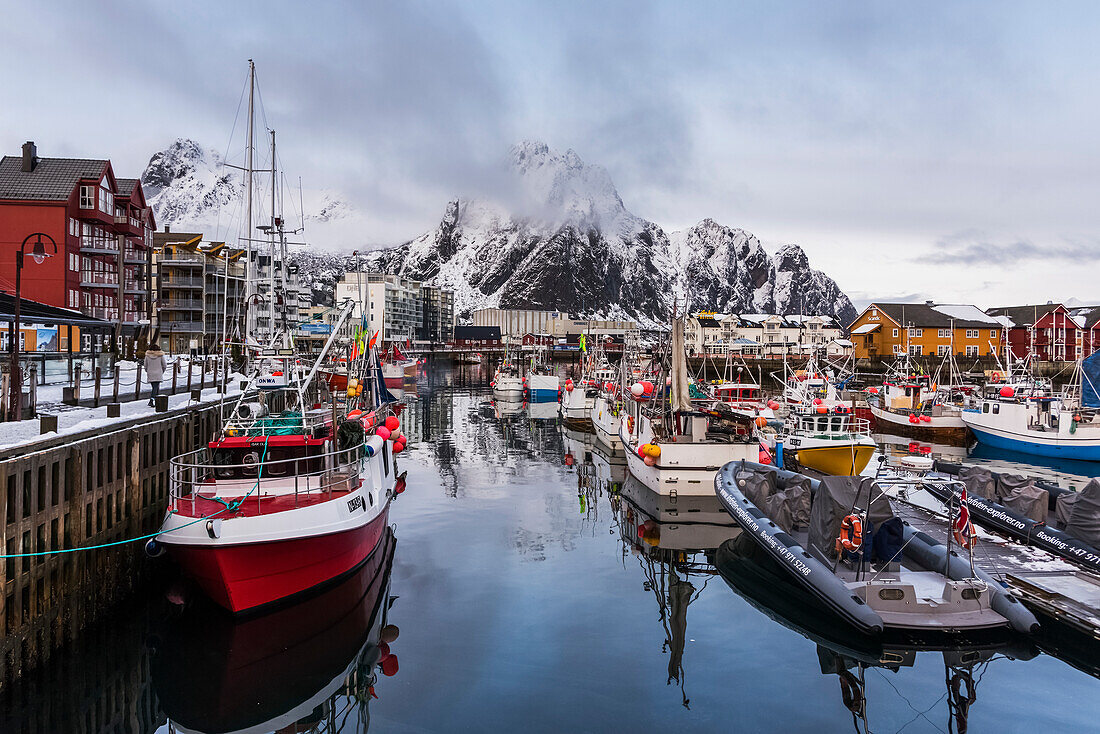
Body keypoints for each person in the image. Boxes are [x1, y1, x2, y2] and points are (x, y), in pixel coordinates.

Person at [145, 343, 167, 407]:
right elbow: (164, 365)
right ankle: (151, 401)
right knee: (155, 387)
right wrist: (161, 371)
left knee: (155, 387)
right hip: (158, 373)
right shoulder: (160, 356)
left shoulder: (147, 356)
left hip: (150, 373)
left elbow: (145, 365)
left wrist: (148, 371)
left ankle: (157, 400)